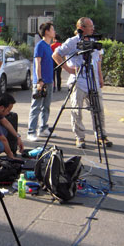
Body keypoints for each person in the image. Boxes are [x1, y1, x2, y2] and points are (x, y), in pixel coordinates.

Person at [52, 17, 112, 149]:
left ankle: (101, 135)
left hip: (93, 81)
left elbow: (98, 61)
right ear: (82, 28)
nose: (93, 28)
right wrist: (68, 69)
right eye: (90, 26)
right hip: (78, 81)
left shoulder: (94, 41)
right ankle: (79, 137)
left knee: (98, 110)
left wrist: (100, 77)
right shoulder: (72, 42)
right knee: (76, 110)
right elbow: (56, 54)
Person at [27, 22, 57, 142]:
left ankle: (43, 129)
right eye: (52, 29)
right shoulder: (40, 45)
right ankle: (31, 132)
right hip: (41, 82)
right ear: (47, 32)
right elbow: (37, 63)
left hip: (49, 81)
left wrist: (51, 81)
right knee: (36, 107)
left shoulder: (49, 46)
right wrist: (39, 80)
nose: (54, 31)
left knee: (46, 106)